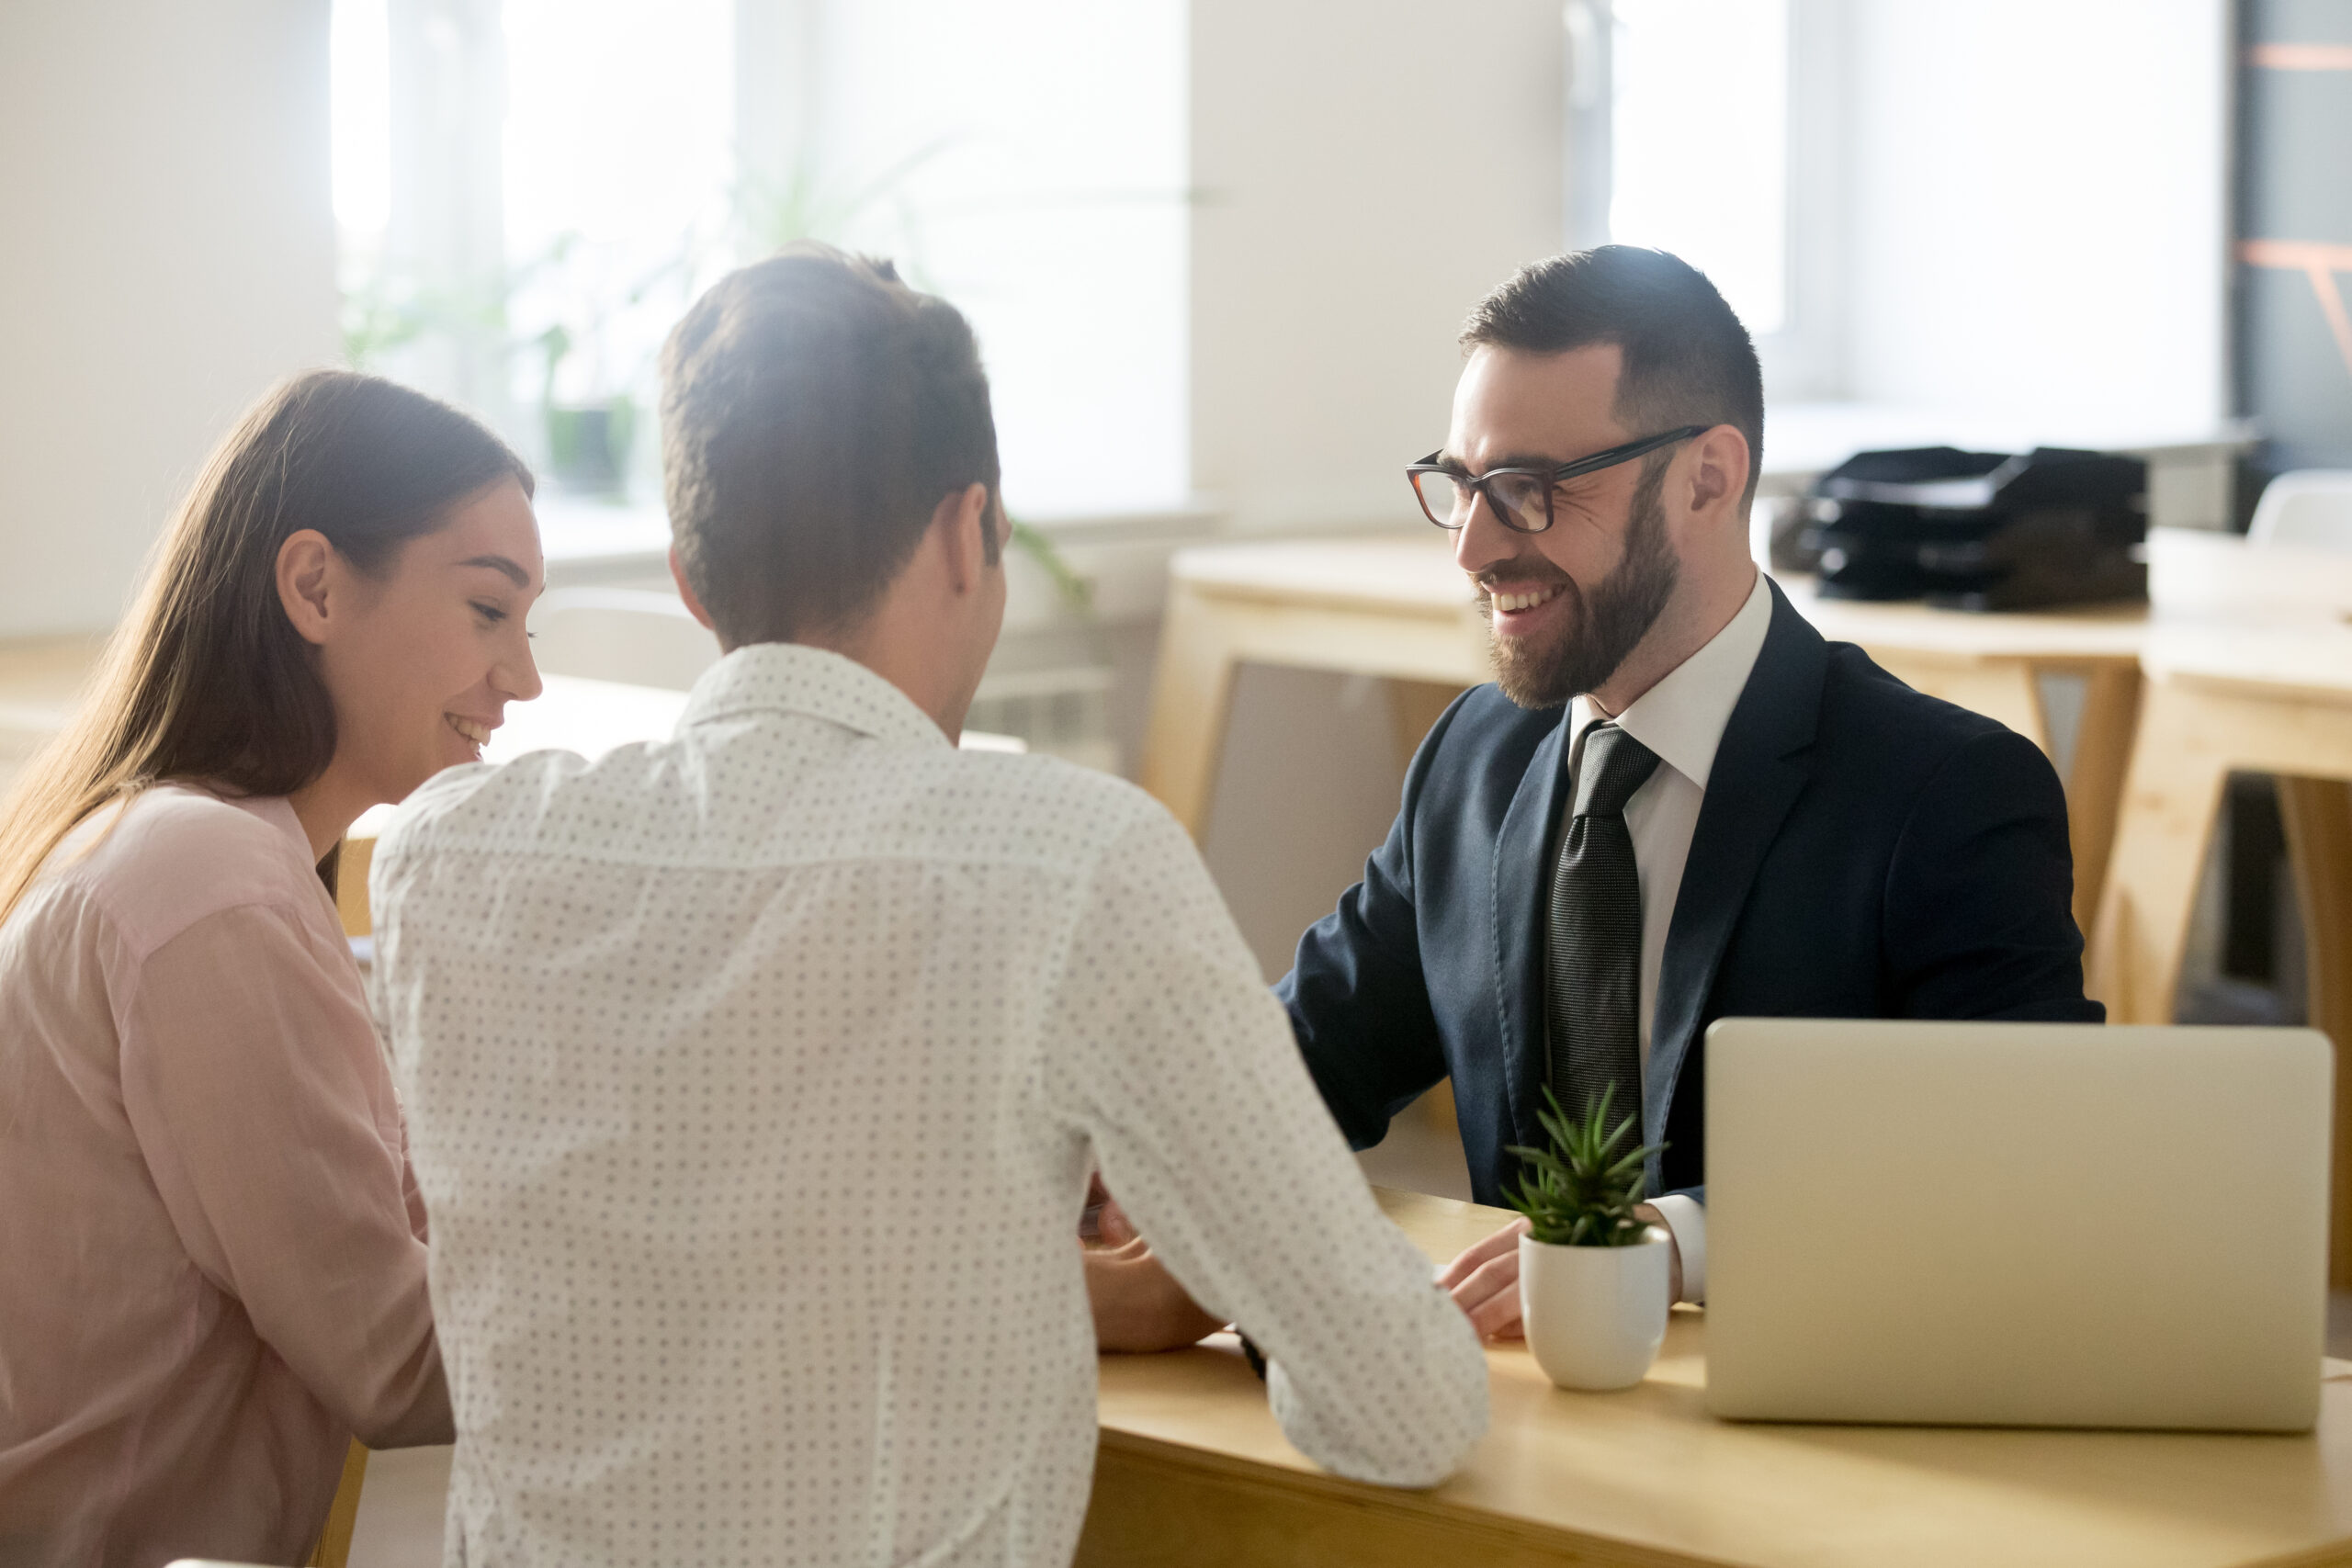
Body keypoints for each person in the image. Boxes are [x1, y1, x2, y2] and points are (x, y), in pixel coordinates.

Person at [368, 243, 1487, 1567]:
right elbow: (1404, 1403)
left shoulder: (445, 856)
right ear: (970, 532)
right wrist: (1177, 1279)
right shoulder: (1074, 865)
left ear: (690, 577)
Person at [1282, 245, 2103, 1332]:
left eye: (1527, 491)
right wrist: (1107, 1178)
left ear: (1706, 479)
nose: (1474, 545)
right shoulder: (1475, 759)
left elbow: (2019, 1151)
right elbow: (1300, 1060)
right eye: (1463, 485)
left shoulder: (1944, 793)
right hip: (1518, 1420)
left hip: (1808, 1414)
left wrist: (1668, 1247)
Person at [0, 370, 544, 1564]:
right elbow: (398, 1361)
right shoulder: (212, 888)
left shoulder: (157, 841)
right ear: (314, 585)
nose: (525, 678)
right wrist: (745, 1267)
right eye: (488, 610)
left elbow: (383, 1222)